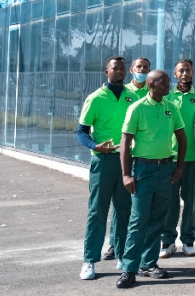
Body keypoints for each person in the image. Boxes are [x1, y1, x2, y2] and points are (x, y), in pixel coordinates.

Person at [117, 70, 187, 289]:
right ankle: (129, 269)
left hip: (165, 169)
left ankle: (148, 264)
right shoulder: (137, 108)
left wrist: (179, 167)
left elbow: (182, 138)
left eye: (167, 80)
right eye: (162, 81)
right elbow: (125, 143)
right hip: (143, 170)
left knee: (158, 219)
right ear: (151, 85)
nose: (168, 83)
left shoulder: (171, 107)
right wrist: (126, 174)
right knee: (138, 220)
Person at [78, 56, 138, 280]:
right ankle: (89, 260)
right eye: (115, 68)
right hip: (103, 161)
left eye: (122, 68)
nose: (119, 71)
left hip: (126, 161)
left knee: (124, 210)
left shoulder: (133, 97)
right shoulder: (95, 98)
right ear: (107, 72)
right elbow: (81, 132)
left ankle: (122, 256)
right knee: (98, 211)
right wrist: (95, 146)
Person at [161, 59, 195, 259]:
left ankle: (188, 240)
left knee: (190, 200)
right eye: (181, 71)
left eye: (188, 70)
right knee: (170, 202)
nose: (185, 74)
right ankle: (168, 241)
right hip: (171, 157)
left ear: (192, 72)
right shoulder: (167, 98)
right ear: (175, 74)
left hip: (193, 157)